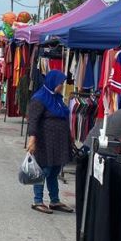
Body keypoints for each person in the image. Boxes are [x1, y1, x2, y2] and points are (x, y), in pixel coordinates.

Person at [26, 69, 75, 214]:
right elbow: (33, 120)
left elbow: (64, 117)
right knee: (43, 170)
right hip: (45, 142)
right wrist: (32, 139)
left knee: (54, 171)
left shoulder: (57, 98)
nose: (62, 86)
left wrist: (70, 136)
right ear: (52, 82)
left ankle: (54, 200)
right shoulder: (40, 98)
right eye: (60, 83)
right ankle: (38, 201)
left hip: (58, 142)